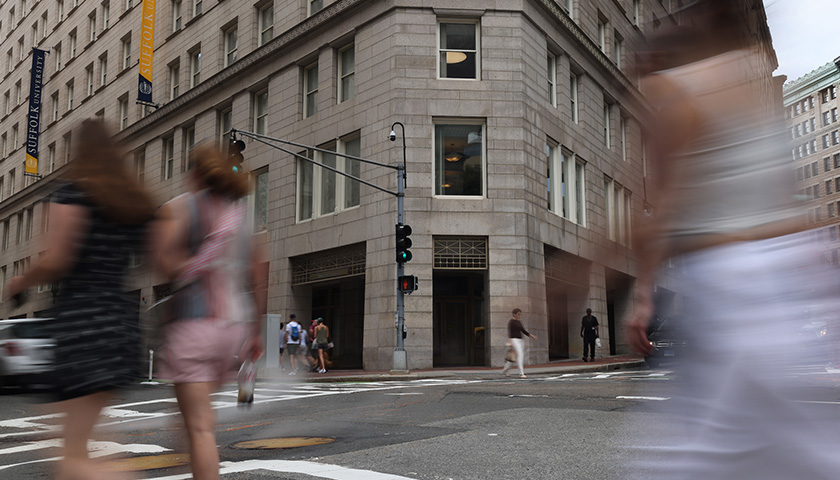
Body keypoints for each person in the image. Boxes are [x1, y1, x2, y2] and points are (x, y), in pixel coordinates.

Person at [624, 1, 840, 477]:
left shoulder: (674, 93)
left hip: (727, 276)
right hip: (774, 269)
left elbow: (666, 204)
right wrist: (821, 286)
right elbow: (788, 201)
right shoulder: (744, 85)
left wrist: (642, 295)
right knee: (769, 435)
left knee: (723, 444)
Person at [4, 119, 156, 480]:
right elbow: (156, 257)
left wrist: (19, 282)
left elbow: (58, 258)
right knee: (82, 443)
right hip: (119, 324)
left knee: (69, 454)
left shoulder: (72, 193)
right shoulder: (132, 200)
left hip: (82, 324)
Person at [154, 144, 266, 480]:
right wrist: (256, 332)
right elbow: (259, 277)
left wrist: (188, 264)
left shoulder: (182, 208)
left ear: (196, 174)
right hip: (232, 331)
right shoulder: (242, 218)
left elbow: (165, 265)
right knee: (192, 419)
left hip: (194, 328)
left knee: (201, 430)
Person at [501, 308, 537, 378]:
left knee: (513, 357)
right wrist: (510, 342)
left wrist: (531, 335)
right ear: (514, 314)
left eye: (520, 314)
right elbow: (510, 333)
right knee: (520, 355)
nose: (519, 315)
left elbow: (523, 330)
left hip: (521, 340)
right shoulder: (511, 322)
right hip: (514, 340)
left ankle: (505, 370)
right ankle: (521, 373)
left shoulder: (519, 322)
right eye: (518, 314)